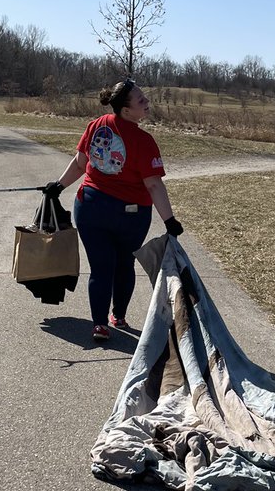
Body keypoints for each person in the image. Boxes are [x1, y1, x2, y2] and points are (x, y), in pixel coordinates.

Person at [44, 78, 183, 342]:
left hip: (90, 208)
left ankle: (100, 325)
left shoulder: (96, 126)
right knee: (123, 264)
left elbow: (79, 163)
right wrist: (170, 220)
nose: (147, 102)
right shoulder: (144, 141)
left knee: (101, 268)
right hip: (130, 216)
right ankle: (117, 315)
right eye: (141, 100)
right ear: (126, 110)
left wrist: (60, 185)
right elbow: (153, 184)